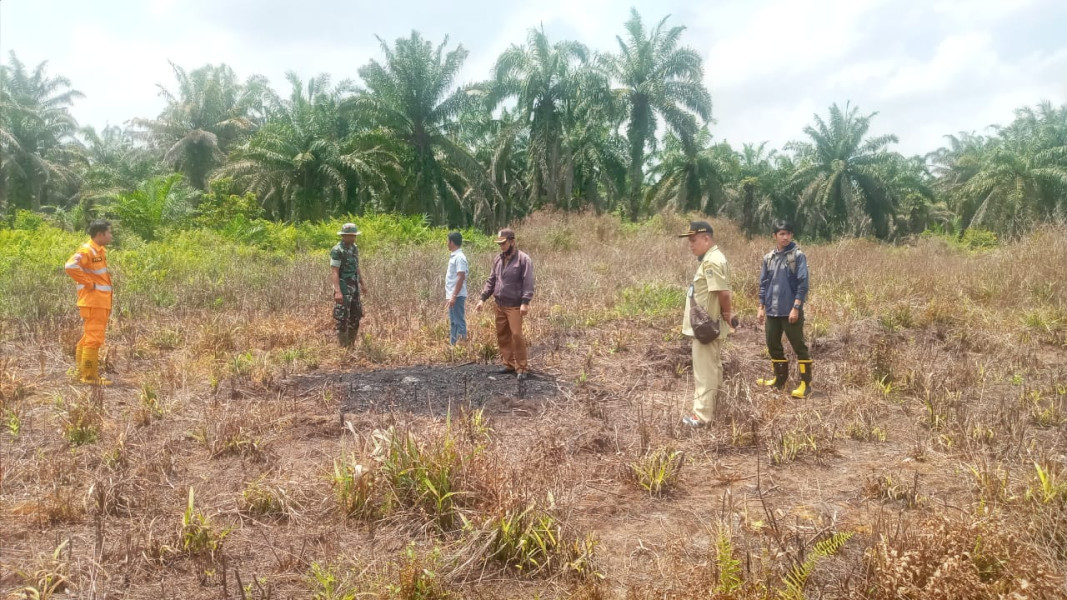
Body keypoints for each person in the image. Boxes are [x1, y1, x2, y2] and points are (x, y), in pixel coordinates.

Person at [678, 220, 734, 427]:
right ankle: (714, 408)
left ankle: (701, 415)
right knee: (713, 367)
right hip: (709, 325)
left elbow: (723, 293)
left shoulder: (711, 261)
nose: (691, 245)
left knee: (704, 371)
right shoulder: (713, 258)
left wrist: (727, 314)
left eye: (693, 240)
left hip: (706, 327)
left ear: (706, 239)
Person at [756, 219, 812, 398]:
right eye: (781, 234)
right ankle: (779, 380)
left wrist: (796, 307)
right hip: (772, 311)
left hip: (790, 311)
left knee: (798, 346)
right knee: (772, 344)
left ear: (792, 235)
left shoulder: (797, 256)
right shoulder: (769, 258)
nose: (785, 237)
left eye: (788, 234)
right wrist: (761, 307)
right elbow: (764, 284)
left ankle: (806, 384)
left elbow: (803, 284)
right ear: (775, 236)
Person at [475, 228, 534, 380]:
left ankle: (522, 367)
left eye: (503, 243)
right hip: (499, 304)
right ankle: (509, 364)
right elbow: (491, 281)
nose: (501, 246)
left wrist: (525, 302)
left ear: (512, 241)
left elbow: (528, 282)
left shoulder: (523, 259)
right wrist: (482, 298)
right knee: (502, 335)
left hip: (514, 305)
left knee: (516, 335)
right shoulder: (498, 259)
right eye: (499, 244)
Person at [65, 219, 115, 385]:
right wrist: (88, 283)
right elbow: (70, 266)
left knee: (89, 336)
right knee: (94, 338)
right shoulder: (87, 250)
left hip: (98, 301)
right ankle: (89, 377)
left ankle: (81, 372)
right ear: (100, 234)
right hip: (94, 301)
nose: (111, 235)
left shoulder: (99, 251)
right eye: (109, 232)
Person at [330, 223, 367, 347]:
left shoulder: (354, 248)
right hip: (343, 288)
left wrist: (362, 284)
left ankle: (351, 346)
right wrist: (338, 291)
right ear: (344, 236)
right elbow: (334, 271)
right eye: (350, 236)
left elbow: (356, 267)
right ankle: (343, 348)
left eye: (354, 235)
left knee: (356, 316)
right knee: (342, 318)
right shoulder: (337, 250)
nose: (353, 238)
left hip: (354, 287)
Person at [445, 231, 468, 345]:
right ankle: (453, 346)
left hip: (457, 296)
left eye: (448, 241)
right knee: (454, 322)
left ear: (452, 242)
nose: (447, 243)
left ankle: (462, 347)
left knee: (458, 321)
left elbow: (461, 276)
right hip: (453, 295)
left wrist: (454, 296)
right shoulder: (455, 256)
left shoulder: (459, 257)